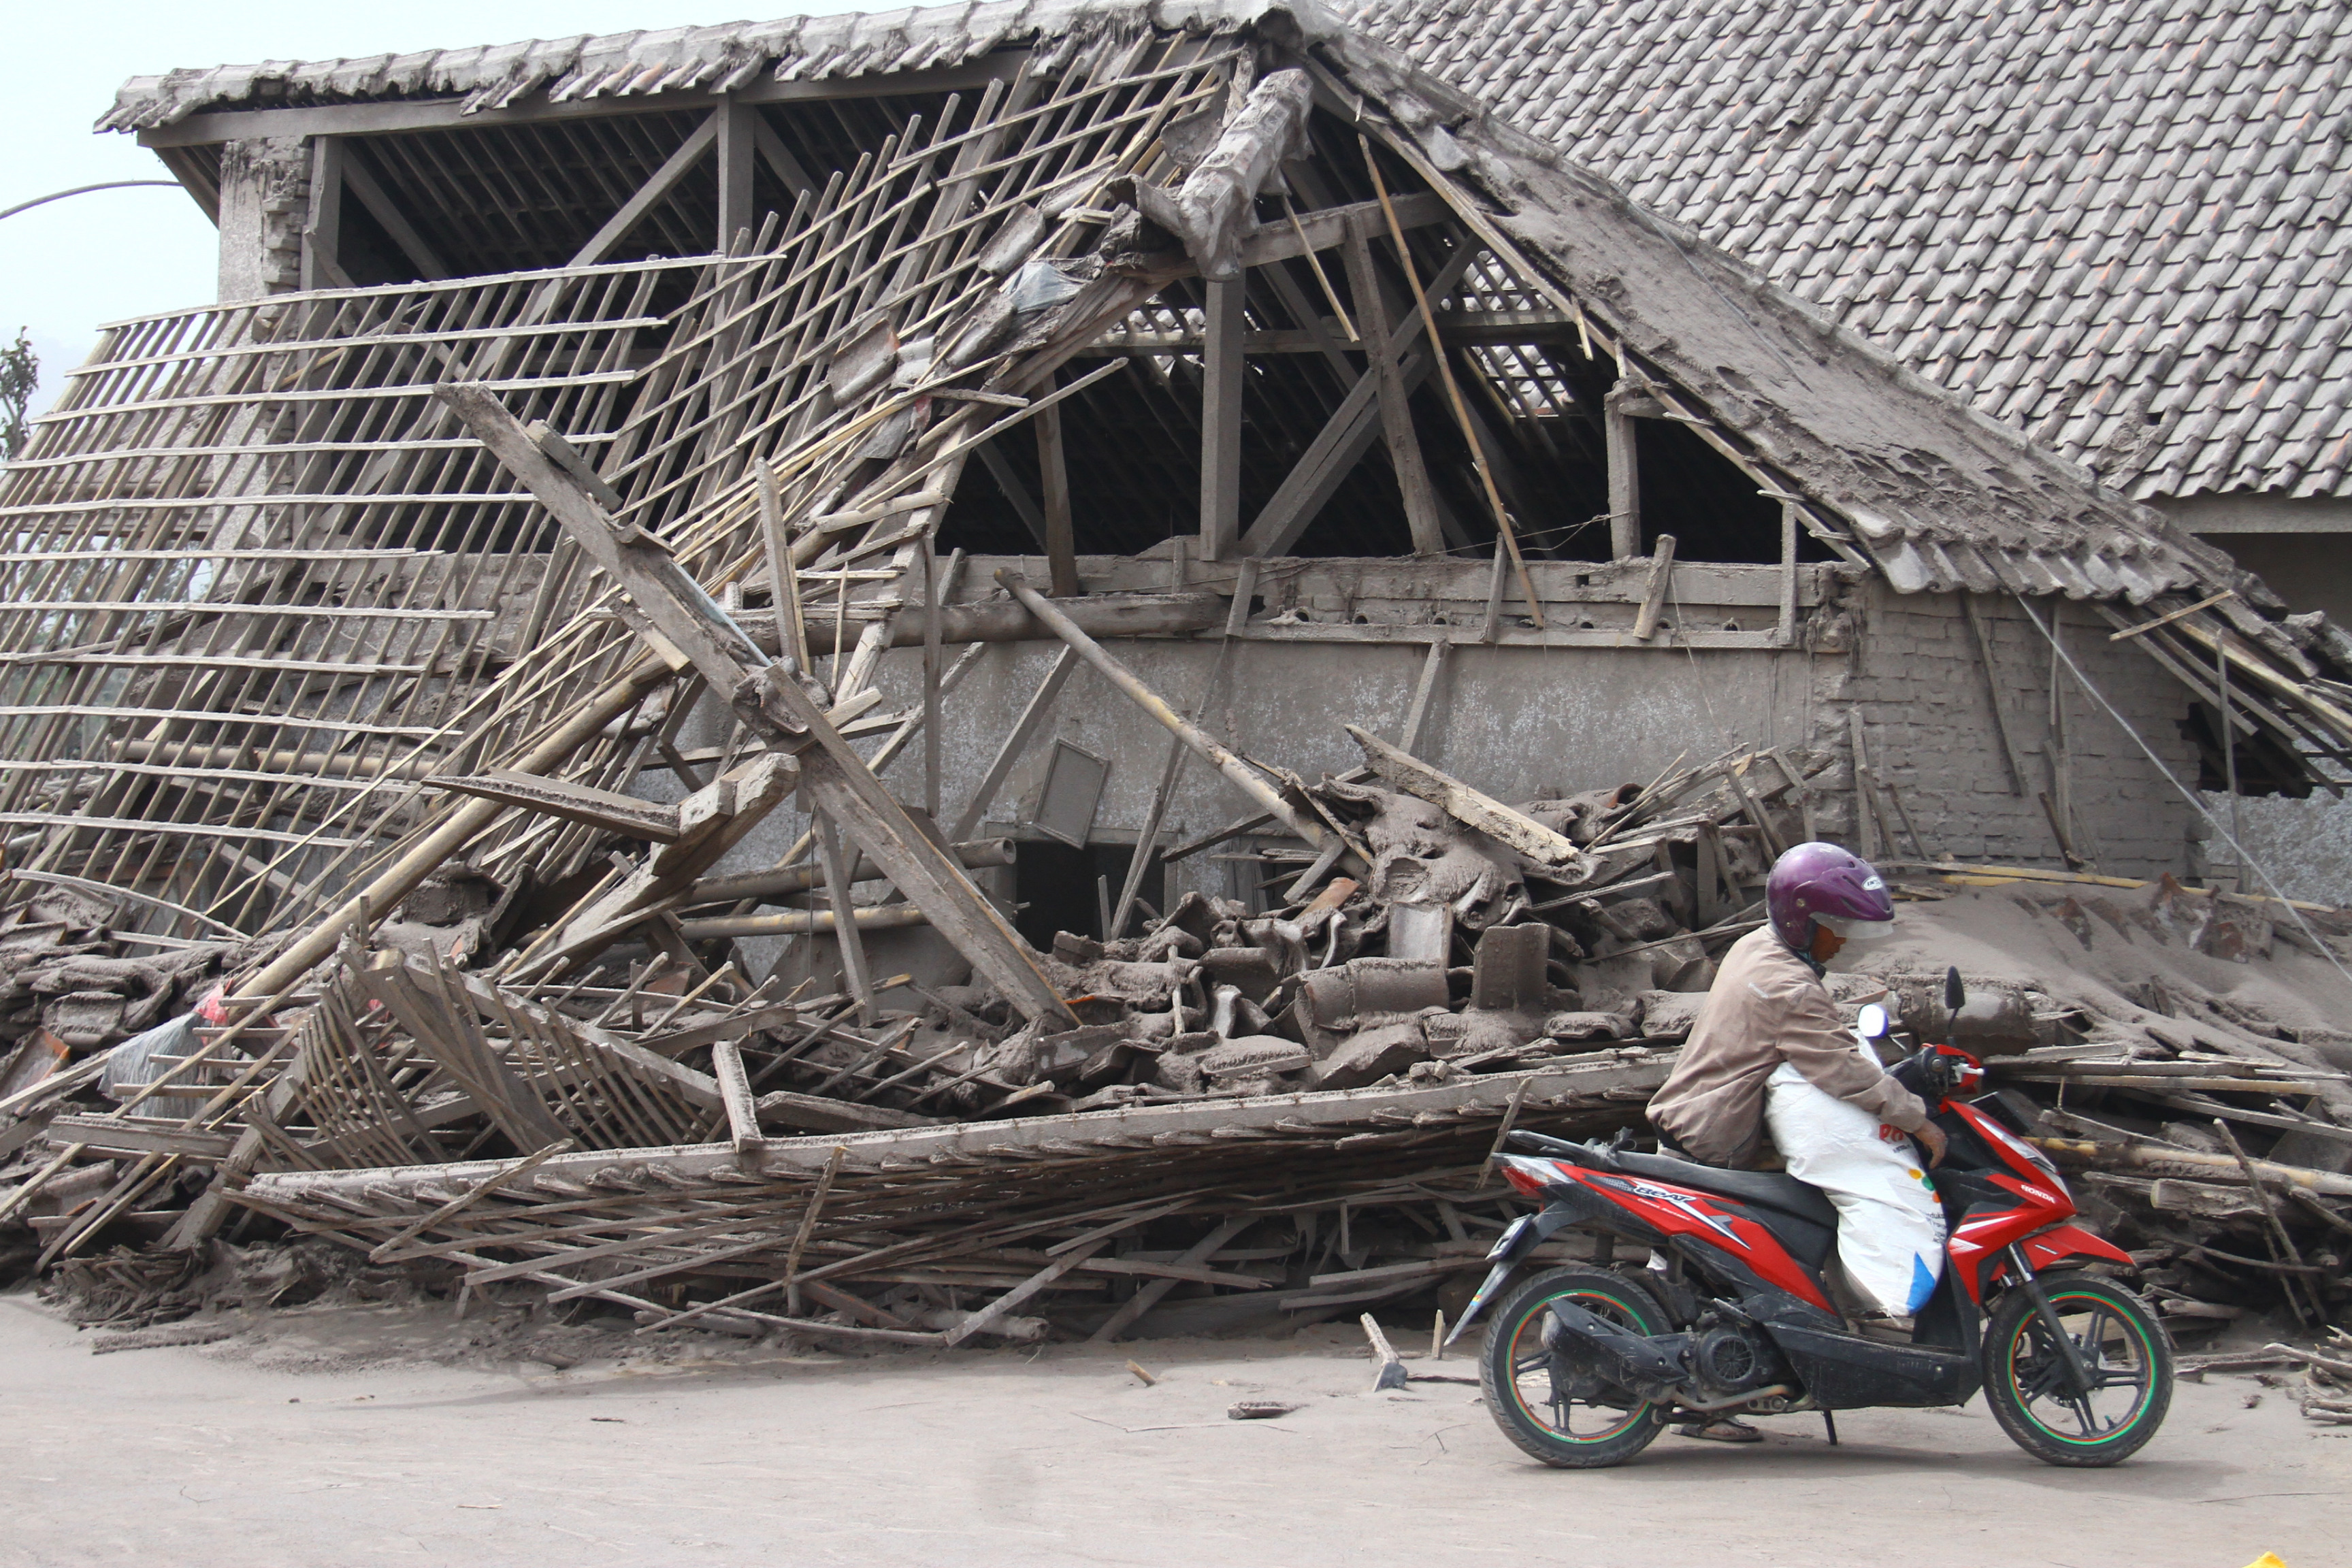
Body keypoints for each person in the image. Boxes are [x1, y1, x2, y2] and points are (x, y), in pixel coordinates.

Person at [1645, 841, 1949, 1442]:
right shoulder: (1784, 983)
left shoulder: (1757, 947)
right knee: (1730, 1277)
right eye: (1835, 929)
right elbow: (1840, 1068)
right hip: (1709, 1137)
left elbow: (1823, 1043)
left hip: (1693, 1119)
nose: (1842, 942)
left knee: (1694, 1279)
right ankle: (1699, 1401)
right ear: (1801, 921)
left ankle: (1704, 1398)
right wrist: (1917, 1118)